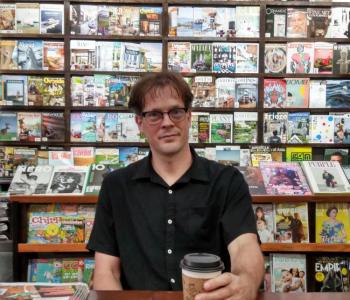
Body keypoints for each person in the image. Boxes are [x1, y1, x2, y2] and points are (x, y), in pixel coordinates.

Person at [87, 72, 264, 299]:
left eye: (176, 112)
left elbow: (244, 247)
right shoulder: (116, 186)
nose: (167, 122)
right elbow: (106, 270)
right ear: (139, 122)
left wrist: (246, 283)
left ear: (189, 116)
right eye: (154, 115)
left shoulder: (227, 181)